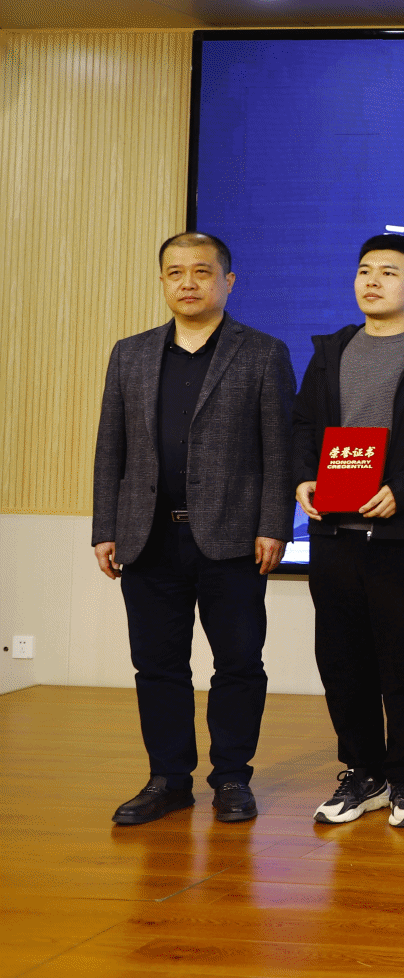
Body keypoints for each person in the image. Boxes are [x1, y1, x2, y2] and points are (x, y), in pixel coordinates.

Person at [92, 232, 295, 826]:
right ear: (162, 281)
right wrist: (105, 526)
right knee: (157, 666)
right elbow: (110, 449)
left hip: (233, 538)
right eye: (175, 272)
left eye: (202, 272)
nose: (188, 282)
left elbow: (279, 450)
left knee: (238, 664)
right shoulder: (130, 354)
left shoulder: (262, 353)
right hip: (147, 535)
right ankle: (168, 779)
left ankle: (231, 778)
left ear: (227, 282)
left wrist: (274, 525)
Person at [290, 234, 404, 829]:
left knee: (403, 660)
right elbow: (303, 425)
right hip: (333, 533)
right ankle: (362, 772)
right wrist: (303, 477)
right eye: (365, 270)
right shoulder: (332, 351)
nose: (372, 281)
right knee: (341, 660)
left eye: (389, 273)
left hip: (402, 535)